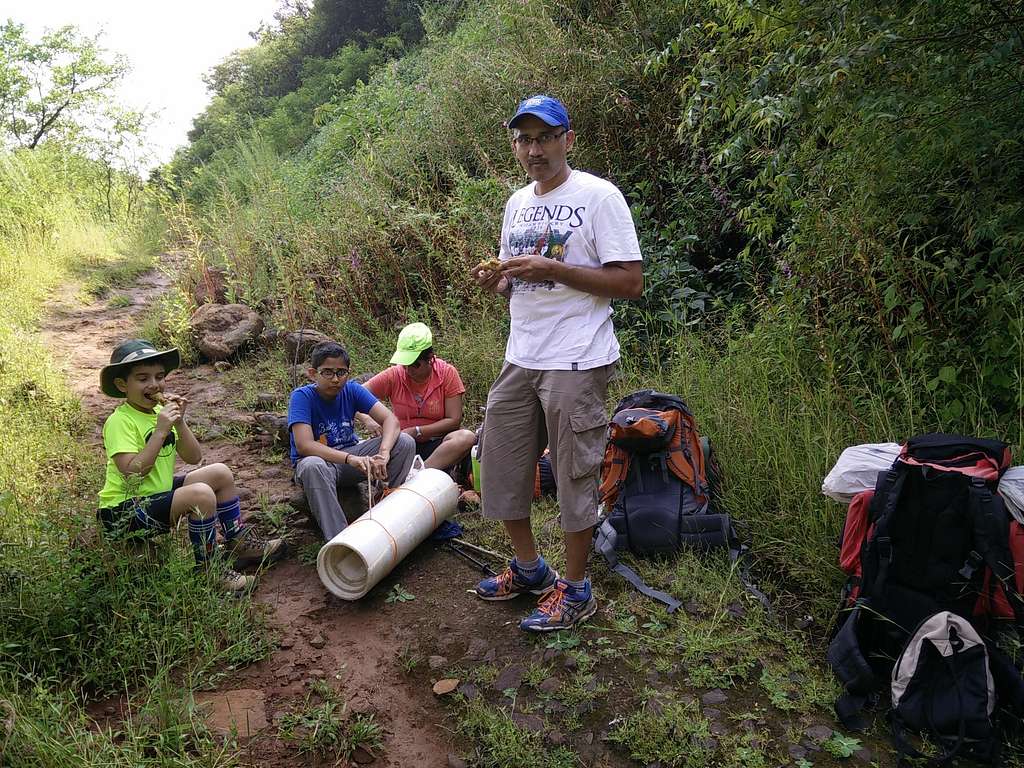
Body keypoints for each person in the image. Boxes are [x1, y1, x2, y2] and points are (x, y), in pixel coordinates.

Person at [470, 95, 643, 632]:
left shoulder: (598, 197)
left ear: (568, 138)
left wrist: (556, 267)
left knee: (574, 474)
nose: (534, 149)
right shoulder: (516, 203)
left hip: (577, 357)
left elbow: (630, 282)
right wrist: (500, 281)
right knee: (500, 462)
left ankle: (576, 589)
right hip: (521, 354)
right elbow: (518, 285)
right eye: (524, 138)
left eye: (544, 137)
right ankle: (529, 570)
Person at [97, 339, 285, 594]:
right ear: (122, 385)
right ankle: (209, 570)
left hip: (154, 495)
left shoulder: (158, 414)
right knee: (200, 495)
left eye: (159, 377)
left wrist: (180, 423)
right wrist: (160, 432)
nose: (154, 385)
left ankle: (237, 540)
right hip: (123, 511)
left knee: (220, 472)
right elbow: (132, 472)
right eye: (142, 379)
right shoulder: (120, 421)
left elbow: (194, 457)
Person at [290, 340, 416, 540]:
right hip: (324, 464)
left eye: (341, 372)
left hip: (352, 459)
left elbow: (390, 420)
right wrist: (350, 458)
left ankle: (389, 507)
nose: (335, 379)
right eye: (327, 372)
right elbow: (304, 445)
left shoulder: (352, 390)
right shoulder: (302, 397)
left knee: (404, 442)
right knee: (312, 466)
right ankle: (341, 539)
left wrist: (383, 453)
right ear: (313, 373)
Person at [362, 323, 477, 481]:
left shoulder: (447, 373)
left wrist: (417, 430)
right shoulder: (395, 375)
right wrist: (367, 419)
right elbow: (352, 395)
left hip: (437, 444)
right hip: (401, 443)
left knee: (466, 437)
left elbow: (454, 420)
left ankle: (416, 475)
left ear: (430, 358)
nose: (408, 371)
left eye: (415, 365)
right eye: (405, 365)